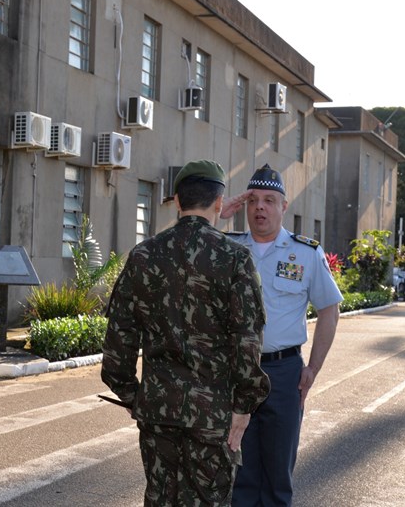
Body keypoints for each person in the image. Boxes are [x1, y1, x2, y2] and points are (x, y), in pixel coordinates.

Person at [101, 159, 271, 506]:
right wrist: (244, 405)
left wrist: (136, 396)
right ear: (219, 203)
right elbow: (248, 339)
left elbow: (118, 342)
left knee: (161, 499)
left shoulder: (143, 255)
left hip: (158, 412)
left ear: (176, 201)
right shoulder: (235, 258)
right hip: (213, 415)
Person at [226, 164, 343, 507]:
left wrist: (313, 370)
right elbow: (184, 247)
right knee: (239, 475)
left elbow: (329, 311)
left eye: (269, 200)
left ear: (283, 207)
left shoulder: (305, 253)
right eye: (253, 201)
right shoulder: (227, 250)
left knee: (278, 477)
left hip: (284, 372)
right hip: (236, 373)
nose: (259, 207)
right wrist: (219, 214)